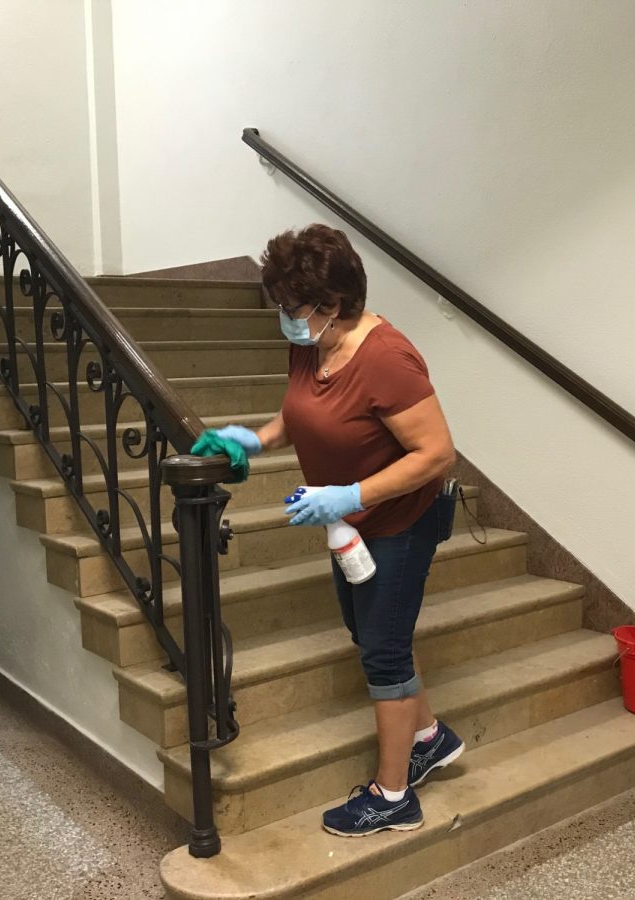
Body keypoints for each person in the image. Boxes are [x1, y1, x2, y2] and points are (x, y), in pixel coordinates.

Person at [213, 224, 465, 837]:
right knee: (371, 633)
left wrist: (350, 494)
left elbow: (436, 454)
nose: (285, 318)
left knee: (383, 651)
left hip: (399, 522)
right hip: (349, 525)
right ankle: (429, 738)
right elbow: (300, 412)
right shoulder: (311, 343)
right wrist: (258, 438)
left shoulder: (387, 358)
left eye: (292, 307)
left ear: (331, 305)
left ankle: (394, 796)